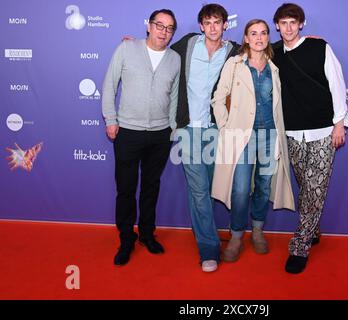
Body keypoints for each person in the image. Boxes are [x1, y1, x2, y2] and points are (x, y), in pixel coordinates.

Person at [272, 3, 348, 273]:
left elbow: (337, 85)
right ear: (278, 26)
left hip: (322, 132)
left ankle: (299, 246)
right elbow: (246, 49)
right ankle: (313, 228)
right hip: (292, 133)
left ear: (301, 24)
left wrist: (340, 124)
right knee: (307, 187)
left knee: (315, 188)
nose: (289, 27)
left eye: (293, 22)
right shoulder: (274, 53)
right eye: (283, 23)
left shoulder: (320, 48)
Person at [211, 19, 295, 263]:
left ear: (269, 37)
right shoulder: (234, 64)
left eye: (263, 33)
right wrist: (226, 128)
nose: (259, 38)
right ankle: (237, 235)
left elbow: (296, 45)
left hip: (269, 136)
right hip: (241, 138)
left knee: (263, 186)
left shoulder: (274, 66)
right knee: (239, 190)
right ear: (246, 38)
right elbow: (218, 98)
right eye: (253, 34)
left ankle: (257, 230)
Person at [102, 9, 181, 266]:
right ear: (149, 26)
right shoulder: (127, 48)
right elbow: (109, 85)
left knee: (151, 187)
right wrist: (111, 119)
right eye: (159, 25)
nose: (163, 31)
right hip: (128, 132)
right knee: (126, 189)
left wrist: (171, 126)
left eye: (169, 28)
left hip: (160, 134)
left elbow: (175, 97)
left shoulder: (175, 59)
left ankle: (147, 234)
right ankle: (126, 238)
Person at [170, 4, 239, 272]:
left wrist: (306, 41)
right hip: (188, 129)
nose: (212, 27)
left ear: (225, 25)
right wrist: (139, 46)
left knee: (209, 190)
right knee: (199, 191)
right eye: (208, 22)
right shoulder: (187, 45)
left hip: (216, 131)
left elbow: (264, 52)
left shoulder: (233, 51)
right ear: (201, 25)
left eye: (217, 22)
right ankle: (209, 250)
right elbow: (160, 50)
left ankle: (206, 234)